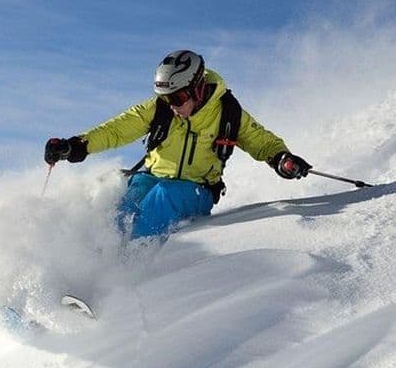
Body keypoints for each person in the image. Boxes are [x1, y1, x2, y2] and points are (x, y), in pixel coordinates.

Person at [44, 49, 311, 240]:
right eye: (166, 98)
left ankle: (127, 268)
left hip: (195, 190)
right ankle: (91, 269)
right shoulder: (161, 109)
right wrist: (76, 145)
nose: (172, 105)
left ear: (197, 88)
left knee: (164, 196)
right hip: (152, 177)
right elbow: (117, 129)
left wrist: (281, 158)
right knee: (124, 204)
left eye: (178, 97)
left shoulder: (228, 113)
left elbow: (260, 141)